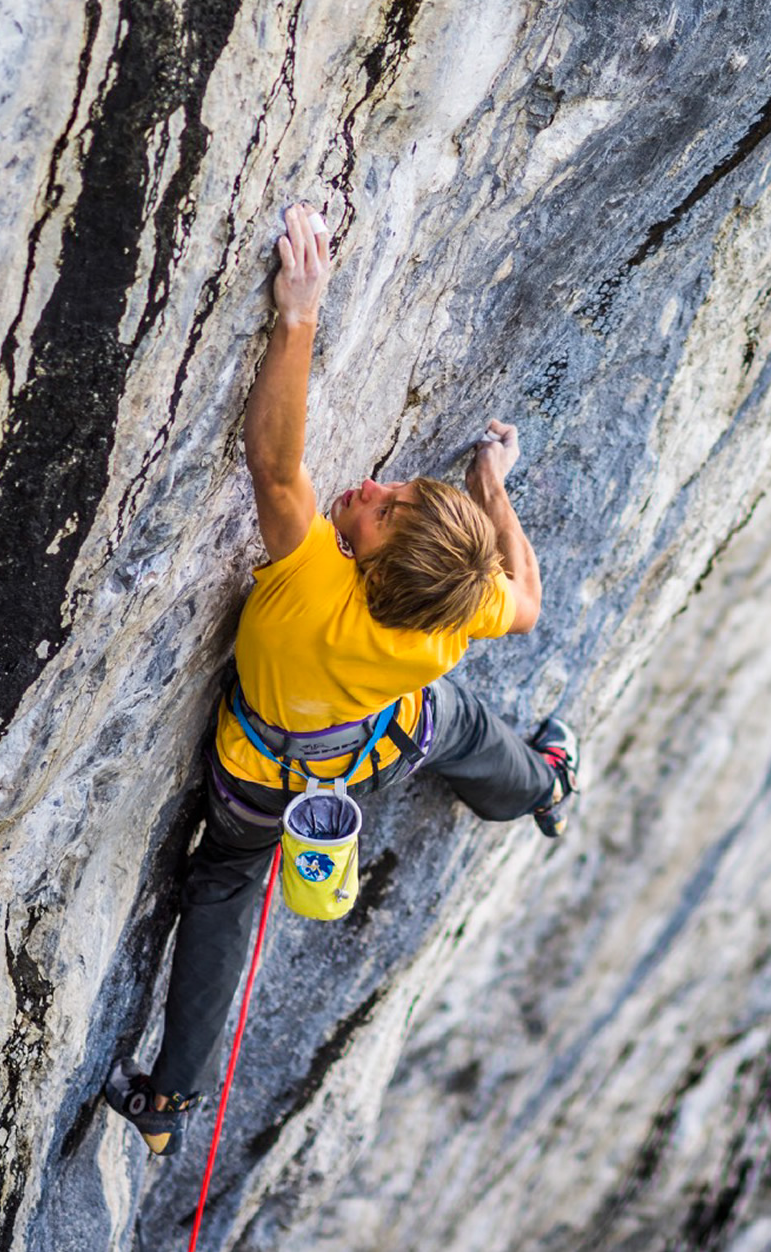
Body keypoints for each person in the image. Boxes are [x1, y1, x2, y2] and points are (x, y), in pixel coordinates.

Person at [104, 202, 578, 1155]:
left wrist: (300, 313)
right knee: (463, 725)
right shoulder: (456, 610)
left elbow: (274, 468)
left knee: (227, 881)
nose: (374, 487)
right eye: (399, 493)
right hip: (366, 753)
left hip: (254, 778)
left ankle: (170, 1104)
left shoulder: (310, 588)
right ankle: (543, 787)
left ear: (365, 568)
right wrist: (493, 492)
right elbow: (525, 601)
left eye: (380, 512)